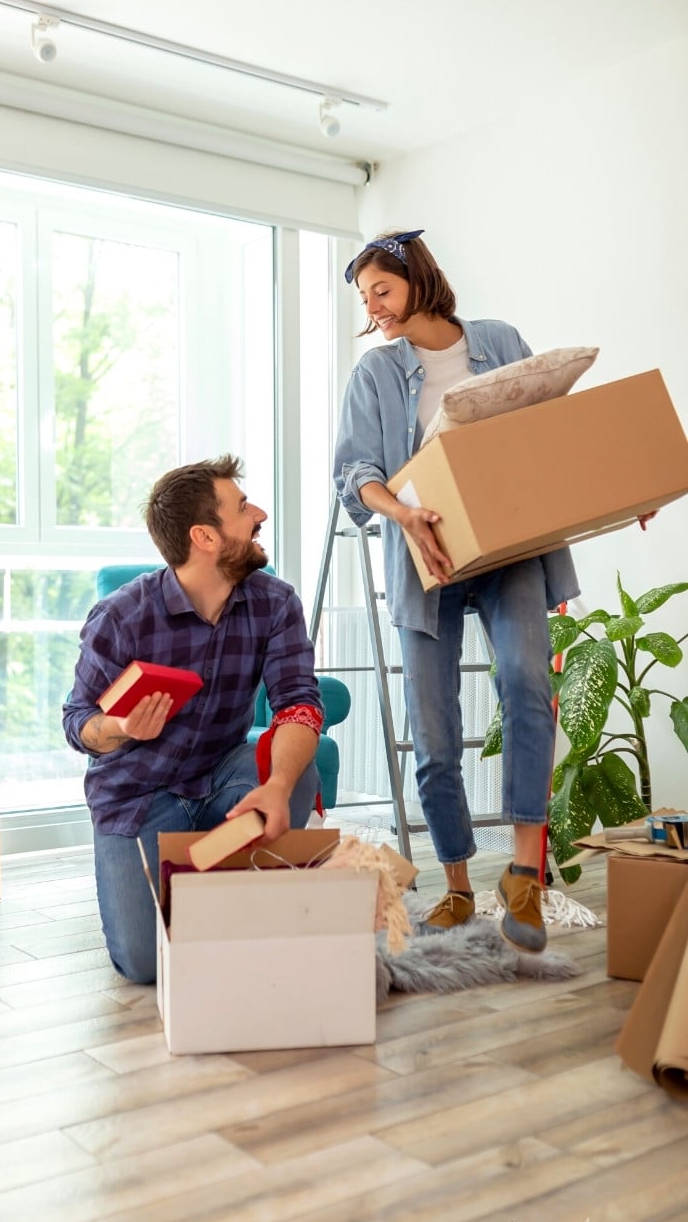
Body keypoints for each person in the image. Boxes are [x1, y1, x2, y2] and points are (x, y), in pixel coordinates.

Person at [334, 229, 580, 953]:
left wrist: (616, 489)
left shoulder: (499, 340)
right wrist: (405, 511)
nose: (373, 306)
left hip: (508, 549)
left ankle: (524, 880)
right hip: (426, 558)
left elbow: (552, 434)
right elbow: (357, 474)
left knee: (526, 684)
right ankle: (459, 887)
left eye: (382, 288)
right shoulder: (375, 375)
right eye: (364, 297)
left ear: (417, 279)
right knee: (435, 733)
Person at [62, 455, 323, 984]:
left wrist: (276, 785)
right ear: (204, 536)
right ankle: (203, 883)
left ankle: (217, 878)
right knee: (143, 964)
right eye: (244, 507)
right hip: (139, 796)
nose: (261, 515)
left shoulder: (275, 604)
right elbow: (77, 722)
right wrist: (120, 727)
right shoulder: (121, 617)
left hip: (223, 777)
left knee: (297, 776)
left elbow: (298, 701)